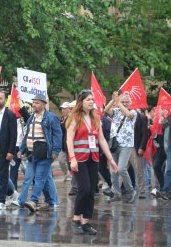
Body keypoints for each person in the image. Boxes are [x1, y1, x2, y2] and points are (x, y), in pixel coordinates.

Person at [66, 90, 118, 235]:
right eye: (88, 99)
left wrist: (110, 159)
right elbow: (69, 139)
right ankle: (76, 219)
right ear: (81, 101)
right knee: (84, 189)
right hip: (79, 158)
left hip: (93, 158)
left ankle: (86, 222)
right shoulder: (74, 117)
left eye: (92, 99)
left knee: (91, 192)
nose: (91, 102)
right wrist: (72, 158)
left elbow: (101, 140)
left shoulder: (95, 117)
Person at [18, 94, 62, 213]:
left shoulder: (51, 118)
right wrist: (21, 150)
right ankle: (50, 201)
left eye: (37, 103)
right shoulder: (31, 118)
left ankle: (34, 200)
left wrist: (55, 151)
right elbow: (27, 135)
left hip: (45, 154)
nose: (34, 105)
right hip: (32, 154)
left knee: (39, 178)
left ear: (43, 104)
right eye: (33, 102)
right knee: (32, 177)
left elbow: (58, 135)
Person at [104, 92, 138, 203]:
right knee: (113, 171)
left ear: (130, 103)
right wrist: (113, 100)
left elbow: (129, 115)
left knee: (122, 168)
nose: (124, 103)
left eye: (126, 102)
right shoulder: (116, 111)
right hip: (115, 144)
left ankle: (130, 190)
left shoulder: (133, 112)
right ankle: (117, 194)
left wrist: (119, 103)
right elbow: (106, 110)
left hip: (126, 144)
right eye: (123, 101)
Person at [58, 102, 71, 182]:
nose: (63, 110)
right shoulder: (62, 118)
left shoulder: (72, 118)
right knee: (61, 160)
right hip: (63, 144)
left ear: (69, 109)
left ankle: (71, 176)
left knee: (69, 162)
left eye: (65, 108)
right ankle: (66, 174)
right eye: (62, 108)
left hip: (69, 144)